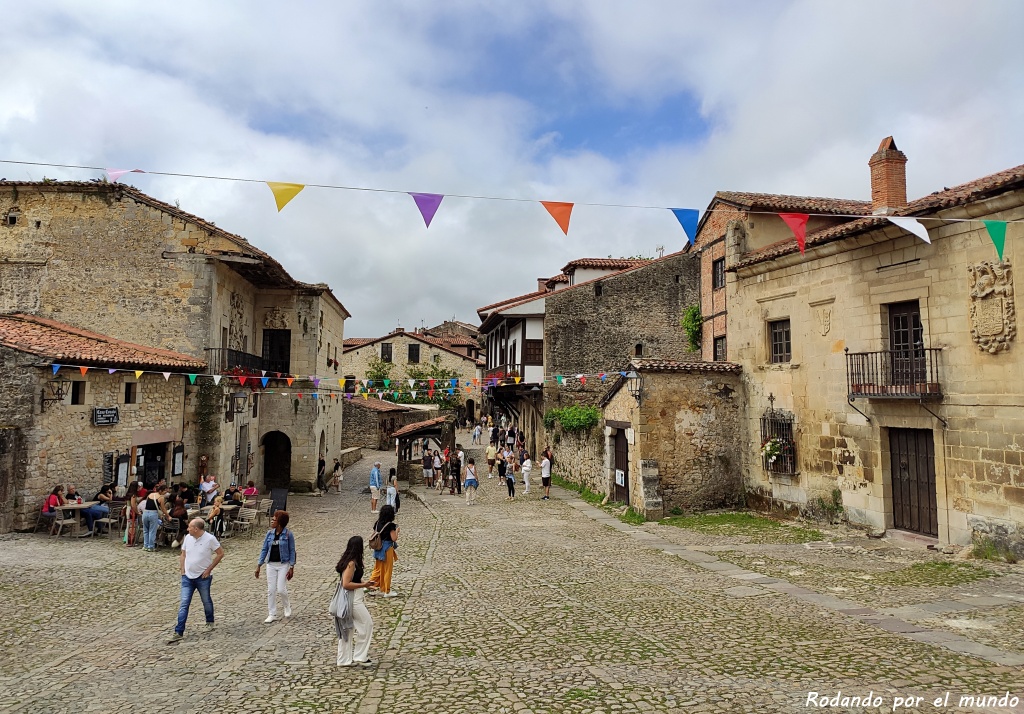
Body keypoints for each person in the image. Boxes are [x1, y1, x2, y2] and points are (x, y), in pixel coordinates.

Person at [168, 518, 224, 644]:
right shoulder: (188, 538)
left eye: (190, 527)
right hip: (187, 577)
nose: (188, 529)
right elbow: (183, 554)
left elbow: (220, 553)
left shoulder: (210, 539)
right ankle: (179, 631)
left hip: (203, 577)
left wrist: (209, 569)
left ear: (196, 529)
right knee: (184, 603)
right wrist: (182, 570)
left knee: (206, 600)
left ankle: (209, 621)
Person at [334, 536, 377, 667]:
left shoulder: (352, 561)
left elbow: (355, 580)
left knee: (348, 628)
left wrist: (367, 584)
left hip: (355, 597)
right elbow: (346, 584)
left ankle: (344, 660)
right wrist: (363, 586)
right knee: (367, 623)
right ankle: (360, 656)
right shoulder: (351, 563)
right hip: (352, 600)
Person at [255, 510, 296, 623]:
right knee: (271, 590)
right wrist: (259, 565)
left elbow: (292, 550)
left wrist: (292, 566)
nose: (272, 521)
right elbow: (264, 549)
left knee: (281, 589)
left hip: (283, 564)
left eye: (274, 519)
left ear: (280, 522)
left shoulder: (288, 534)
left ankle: (286, 606)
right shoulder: (269, 534)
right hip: (271, 564)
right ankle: (272, 613)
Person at [369, 505, 399, 598]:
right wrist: (397, 531)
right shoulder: (391, 525)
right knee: (387, 570)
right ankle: (387, 590)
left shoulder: (377, 523)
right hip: (387, 549)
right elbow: (394, 538)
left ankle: (371, 585)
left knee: (378, 569)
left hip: (378, 548)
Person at [142, 484, 170, 552]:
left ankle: (145, 545)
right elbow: (163, 508)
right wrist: (167, 516)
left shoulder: (150, 495)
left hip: (145, 513)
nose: (165, 493)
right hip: (153, 513)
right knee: (152, 531)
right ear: (160, 491)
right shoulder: (161, 498)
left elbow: (147, 504)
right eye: (164, 492)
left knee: (146, 530)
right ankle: (151, 546)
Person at [124, 482, 140, 546]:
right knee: (132, 526)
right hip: (131, 511)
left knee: (129, 526)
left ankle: (128, 540)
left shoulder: (128, 494)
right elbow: (133, 505)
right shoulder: (133, 495)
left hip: (128, 509)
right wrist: (137, 512)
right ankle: (131, 541)